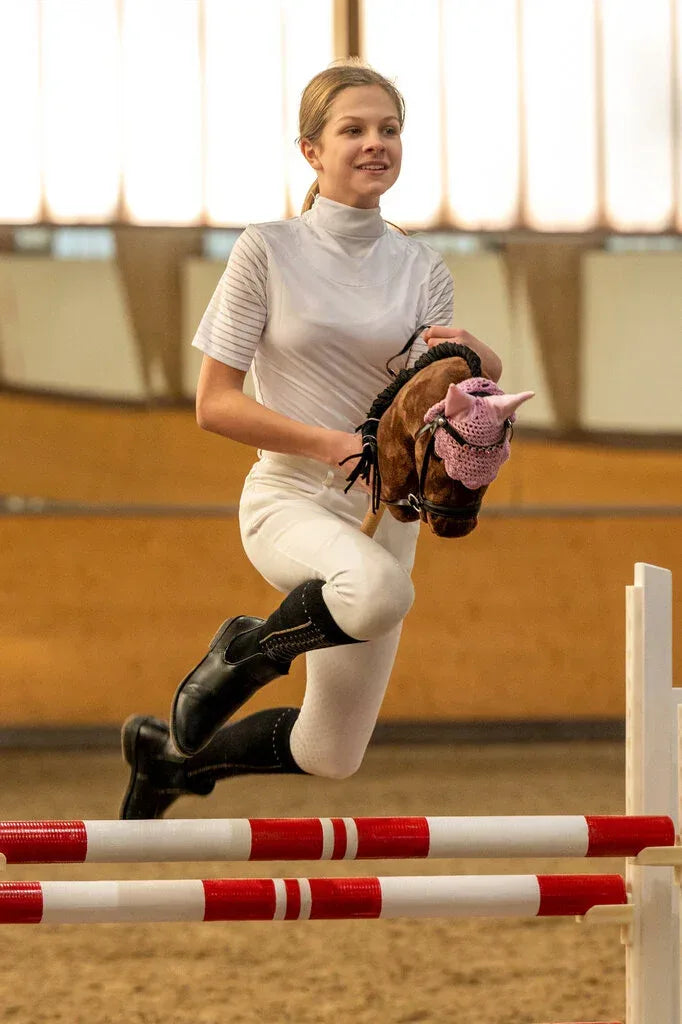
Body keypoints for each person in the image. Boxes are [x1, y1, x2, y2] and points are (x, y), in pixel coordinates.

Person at [119, 59, 502, 820]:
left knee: (331, 754)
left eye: (388, 130)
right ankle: (244, 652)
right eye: (352, 130)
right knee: (380, 595)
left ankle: (171, 761)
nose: (375, 144)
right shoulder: (267, 249)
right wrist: (329, 445)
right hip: (289, 499)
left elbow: (440, 398)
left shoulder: (423, 266)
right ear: (310, 151)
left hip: (383, 517)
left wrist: (485, 365)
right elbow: (214, 405)